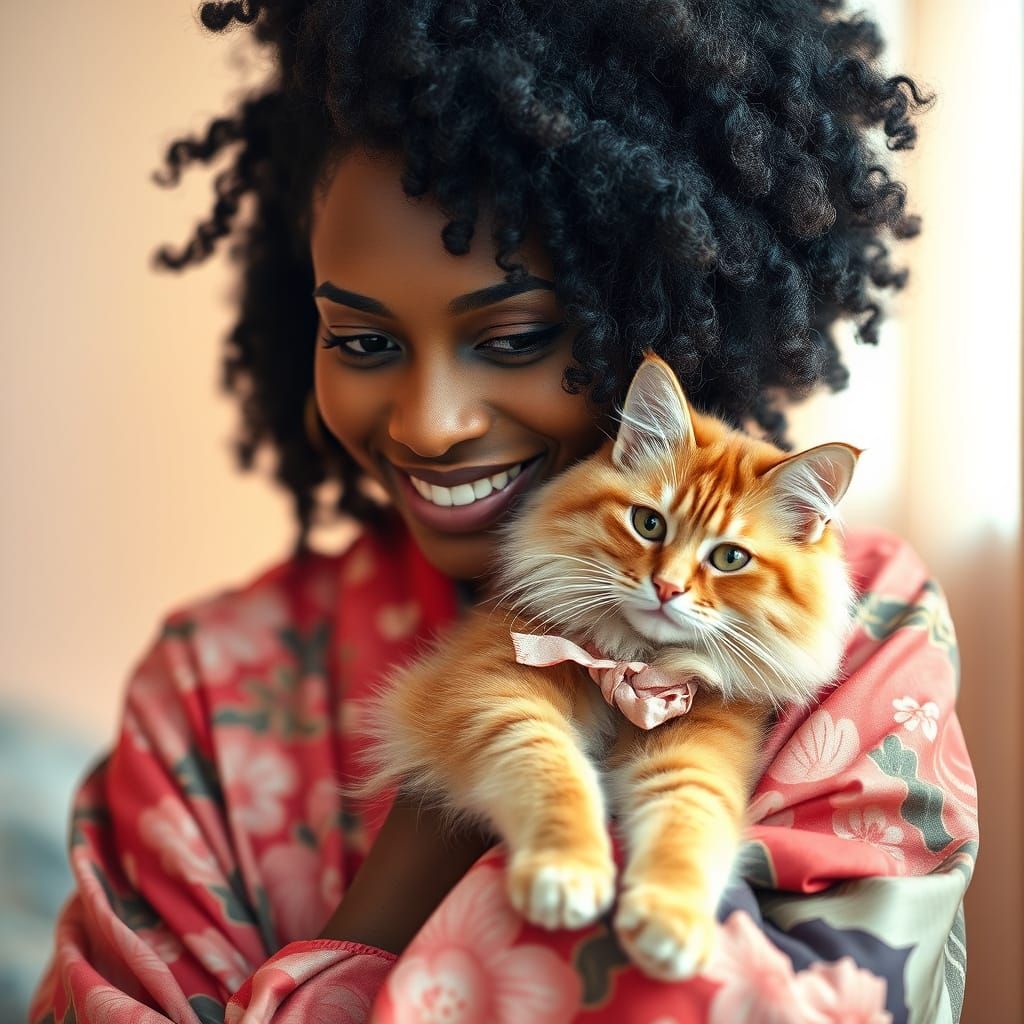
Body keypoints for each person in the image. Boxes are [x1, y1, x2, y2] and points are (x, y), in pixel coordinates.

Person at [29, 2, 979, 1022]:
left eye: (516, 338)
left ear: (650, 318)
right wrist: (429, 837)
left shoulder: (868, 628)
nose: (431, 425)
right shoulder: (202, 683)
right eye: (361, 341)